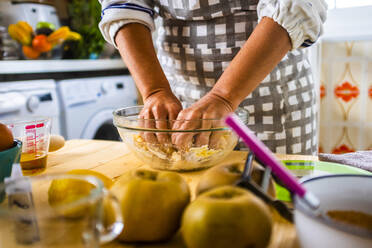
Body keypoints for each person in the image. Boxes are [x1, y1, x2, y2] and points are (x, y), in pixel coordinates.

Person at [99, 0, 327, 155]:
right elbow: (122, 4)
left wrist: (224, 96)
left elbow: (296, 5)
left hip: (275, 103)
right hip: (180, 108)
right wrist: (155, 91)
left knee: (280, 209)